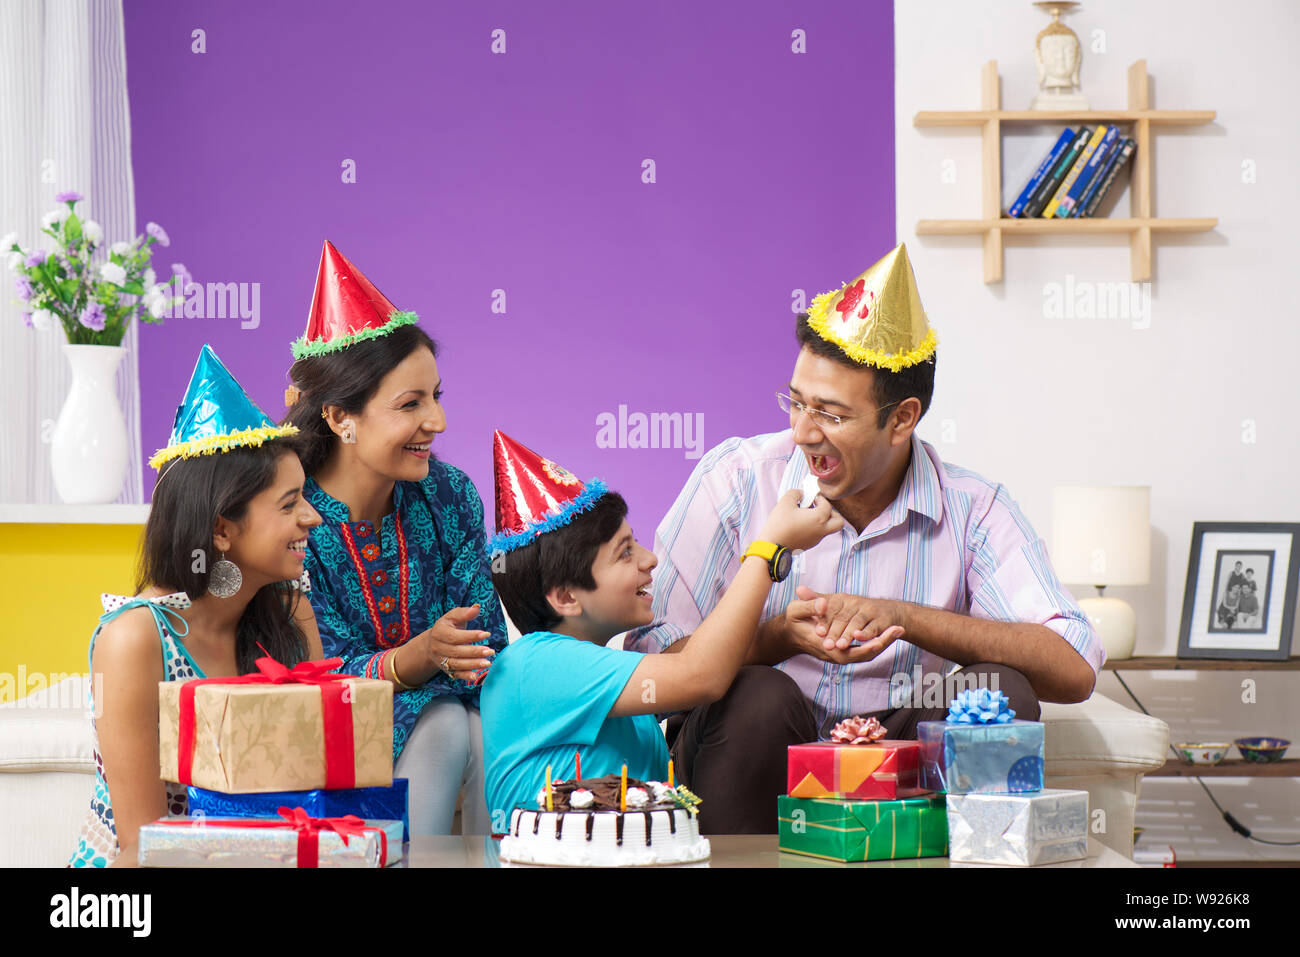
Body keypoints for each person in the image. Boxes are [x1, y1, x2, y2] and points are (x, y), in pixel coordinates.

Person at [624, 243, 1104, 833]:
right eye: (796, 402)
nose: (802, 432)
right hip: (763, 745)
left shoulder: (975, 508)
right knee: (756, 694)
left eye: (830, 413)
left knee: (998, 691)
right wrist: (774, 638)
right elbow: (651, 670)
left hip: (905, 751)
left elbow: (1075, 668)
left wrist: (902, 616)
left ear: (901, 419)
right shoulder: (737, 479)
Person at [479, 431, 841, 829]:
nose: (650, 560)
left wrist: (781, 634)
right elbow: (701, 675)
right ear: (565, 597)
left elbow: (699, 662)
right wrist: (769, 548)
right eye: (625, 552)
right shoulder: (533, 662)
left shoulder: (625, 694)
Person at [283, 241, 507, 835]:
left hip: (461, 714)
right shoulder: (292, 514)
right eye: (411, 404)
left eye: (436, 397)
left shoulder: (448, 494)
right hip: (337, 728)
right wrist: (417, 660)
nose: (436, 421)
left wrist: (450, 659)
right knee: (447, 724)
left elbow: (485, 639)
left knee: (481, 727)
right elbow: (317, 672)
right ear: (339, 417)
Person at [70, 345, 324, 867]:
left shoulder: (290, 612)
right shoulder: (134, 638)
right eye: (289, 503)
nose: (312, 517)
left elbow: (313, 786)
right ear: (221, 530)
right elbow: (145, 843)